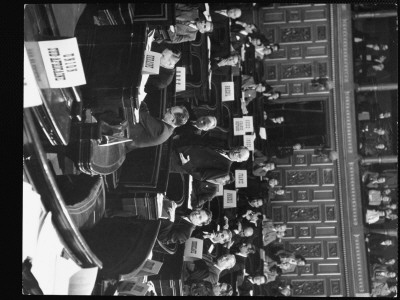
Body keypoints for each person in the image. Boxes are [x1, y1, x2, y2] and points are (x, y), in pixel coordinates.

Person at [115, 102, 190, 153]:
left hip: (118, 137)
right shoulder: (168, 129)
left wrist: (140, 101)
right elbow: (147, 120)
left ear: (173, 120)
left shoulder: (162, 129)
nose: (167, 109)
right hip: (123, 136)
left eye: (170, 110)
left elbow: (141, 116)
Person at [171, 145, 250, 182]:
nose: (236, 153)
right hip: (177, 149)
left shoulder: (224, 170)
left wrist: (186, 165)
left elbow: (201, 176)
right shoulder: (222, 145)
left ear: (239, 161)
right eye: (238, 150)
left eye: (239, 155)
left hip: (176, 163)